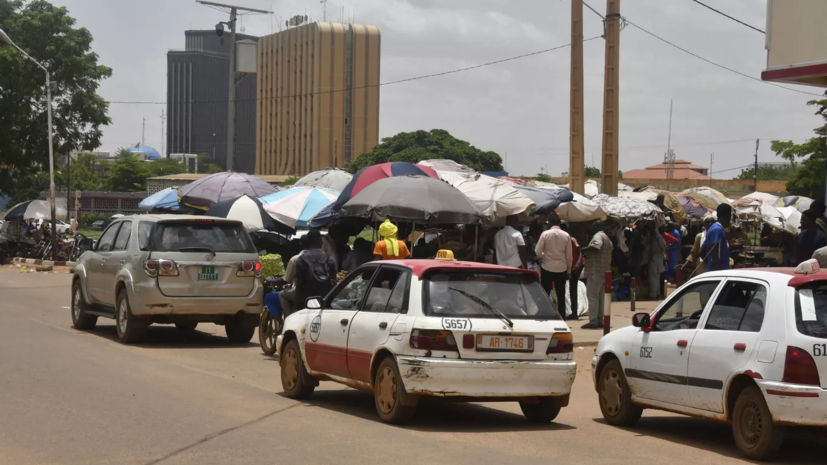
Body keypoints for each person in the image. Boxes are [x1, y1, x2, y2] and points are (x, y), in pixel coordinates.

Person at [535, 215, 572, 318]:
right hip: (562, 268)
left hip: (547, 267)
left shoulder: (545, 234)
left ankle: (545, 314)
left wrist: (544, 255)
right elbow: (569, 255)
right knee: (561, 294)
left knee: (545, 293)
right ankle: (562, 317)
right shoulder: (566, 235)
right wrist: (569, 270)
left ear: (550, 223)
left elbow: (537, 252)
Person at [295, 230, 337, 311]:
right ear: (320, 240)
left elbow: (299, 285)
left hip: (308, 301)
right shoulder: (330, 259)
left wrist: (295, 306)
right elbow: (334, 282)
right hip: (326, 300)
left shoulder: (301, 260)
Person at [581, 220, 612, 329]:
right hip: (604, 272)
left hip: (595, 271)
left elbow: (595, 247)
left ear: (596, 227)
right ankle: (599, 320)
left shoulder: (598, 236)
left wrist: (583, 249)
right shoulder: (607, 239)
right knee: (600, 297)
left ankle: (593, 321)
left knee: (593, 297)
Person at [560, 222, 584, 321]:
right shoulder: (564, 241)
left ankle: (574, 312)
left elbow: (579, 253)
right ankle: (572, 312)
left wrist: (576, 266)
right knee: (570, 289)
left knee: (572, 289)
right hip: (570, 267)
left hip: (576, 267)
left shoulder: (572, 239)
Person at [703, 204, 732, 272]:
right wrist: (718, 271)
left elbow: (702, 250)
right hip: (718, 274)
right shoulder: (717, 229)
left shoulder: (714, 228)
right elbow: (714, 252)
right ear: (727, 215)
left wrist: (710, 264)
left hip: (714, 271)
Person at [642, 223, 666, 300]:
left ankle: (653, 295)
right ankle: (657, 294)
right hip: (656, 260)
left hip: (655, 260)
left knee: (653, 279)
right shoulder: (654, 236)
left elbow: (663, 245)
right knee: (656, 279)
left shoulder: (656, 236)